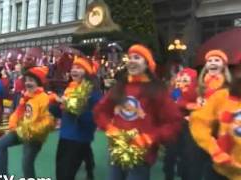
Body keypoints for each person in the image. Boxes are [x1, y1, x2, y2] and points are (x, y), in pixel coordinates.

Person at [93, 44, 182, 180]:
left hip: (142, 157)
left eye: (137, 57)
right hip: (116, 153)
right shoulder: (119, 87)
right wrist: (109, 127)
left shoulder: (157, 91)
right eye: (130, 58)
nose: (132, 60)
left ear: (147, 64)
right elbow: (100, 111)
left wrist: (149, 138)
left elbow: (174, 122)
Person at [0, 66, 55, 178]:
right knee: (1, 144)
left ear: (38, 83)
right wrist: (15, 123)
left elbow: (49, 122)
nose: (27, 83)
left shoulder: (44, 98)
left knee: (26, 164)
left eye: (31, 80)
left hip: (35, 137)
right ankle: (1, 175)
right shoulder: (26, 96)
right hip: (21, 131)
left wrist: (31, 131)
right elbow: (19, 112)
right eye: (26, 80)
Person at [50, 56, 102, 180]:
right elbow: (63, 113)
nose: (74, 70)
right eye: (73, 67)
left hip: (78, 140)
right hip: (65, 137)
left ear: (87, 72)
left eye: (79, 67)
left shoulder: (93, 93)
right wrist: (53, 106)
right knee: (61, 173)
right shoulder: (72, 89)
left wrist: (74, 109)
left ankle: (90, 170)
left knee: (65, 175)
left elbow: (94, 119)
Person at [189, 63, 241, 180]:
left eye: (217, 60)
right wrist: (183, 104)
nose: (212, 63)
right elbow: (176, 96)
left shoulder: (225, 85)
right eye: (210, 60)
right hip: (219, 165)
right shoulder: (194, 84)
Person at [163, 68, 198, 180]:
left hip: (190, 125)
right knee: (170, 155)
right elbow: (173, 101)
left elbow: (200, 104)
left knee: (187, 156)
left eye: (185, 80)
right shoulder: (176, 90)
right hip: (174, 123)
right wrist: (187, 105)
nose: (181, 81)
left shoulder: (198, 89)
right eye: (180, 79)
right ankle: (169, 176)